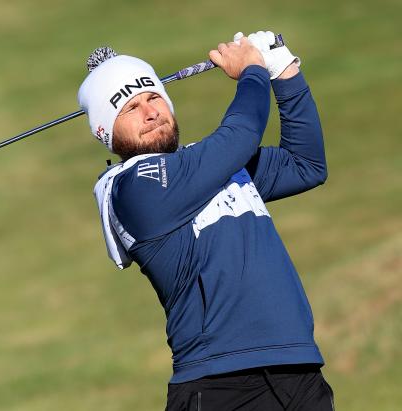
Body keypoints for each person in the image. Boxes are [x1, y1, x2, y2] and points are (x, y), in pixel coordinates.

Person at [77, 31, 334, 410]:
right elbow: (241, 134)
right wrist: (252, 71)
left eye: (154, 98)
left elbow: (306, 165)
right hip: (218, 386)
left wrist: (285, 71)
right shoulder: (134, 189)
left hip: (298, 372)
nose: (150, 113)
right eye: (129, 109)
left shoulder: (211, 164)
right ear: (105, 131)